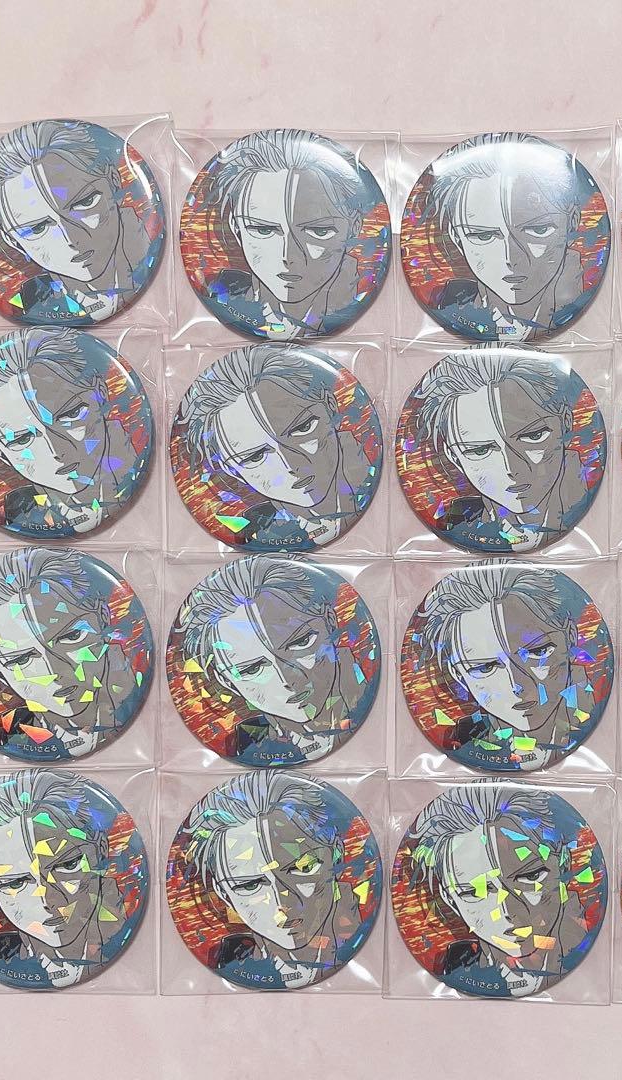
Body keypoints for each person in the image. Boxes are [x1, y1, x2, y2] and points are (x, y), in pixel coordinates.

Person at [176, 344, 375, 548]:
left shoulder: (369, 475)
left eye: (303, 427)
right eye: (255, 457)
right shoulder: (254, 529)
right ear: (231, 470)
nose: (290, 464)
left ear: (331, 407)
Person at [175, 555, 365, 766]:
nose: (287, 678)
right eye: (252, 669)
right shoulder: (245, 743)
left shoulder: (369, 698)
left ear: (330, 621)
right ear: (226, 681)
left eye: (301, 642)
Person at [403, 783, 591, 997]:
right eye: (474, 892)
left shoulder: (591, 950)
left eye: (530, 876)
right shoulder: (456, 965)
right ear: (450, 900)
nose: (507, 911)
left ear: (564, 863)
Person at [182, 772, 364, 989]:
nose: (283, 905)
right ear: (224, 895)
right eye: (249, 885)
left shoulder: (363, 932)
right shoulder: (231, 958)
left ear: (336, 855)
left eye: (303, 868)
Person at [0, 770, 137, 988]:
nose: (47, 899)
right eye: (15, 883)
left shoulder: (127, 927)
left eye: (68, 865)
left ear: (100, 849)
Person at [0, 119, 157, 323]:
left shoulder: (148, 246)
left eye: (85, 202)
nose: (71, 238)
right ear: (12, 241)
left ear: (113, 181)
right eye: (37, 228)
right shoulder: (32, 302)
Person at [0, 327, 142, 536]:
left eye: (71, 414)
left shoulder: (135, 461)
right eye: (21, 439)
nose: (56, 450)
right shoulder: (15, 512)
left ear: (101, 393)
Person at [0, 549, 140, 760]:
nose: (53, 672)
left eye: (72, 636)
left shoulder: (132, 693)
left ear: (102, 617)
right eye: (21, 659)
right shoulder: (10, 734)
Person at [416, 561, 592, 771]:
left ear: (570, 636)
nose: (517, 685)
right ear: (458, 675)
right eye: (485, 667)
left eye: (538, 652)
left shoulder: (595, 711)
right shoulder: (464, 739)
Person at [413, 348, 593, 552]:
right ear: (454, 457)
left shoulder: (595, 505)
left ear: (566, 423)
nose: (512, 468)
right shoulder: (456, 521)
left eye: (533, 436)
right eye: (480, 450)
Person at [421, 133, 593, 341]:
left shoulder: (583, 299)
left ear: (572, 223)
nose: (511, 258)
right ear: (457, 238)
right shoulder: (450, 303)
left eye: (538, 230)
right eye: (483, 235)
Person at [206, 129, 368, 339]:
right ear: (236, 229)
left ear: (354, 227)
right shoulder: (224, 295)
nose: (288, 256)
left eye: (319, 231)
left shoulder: (355, 295)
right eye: (263, 230)